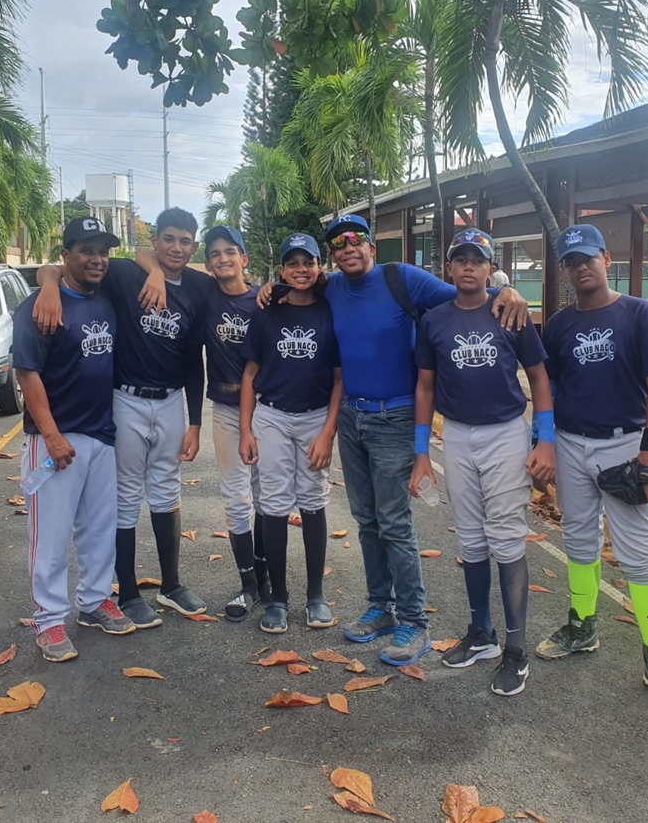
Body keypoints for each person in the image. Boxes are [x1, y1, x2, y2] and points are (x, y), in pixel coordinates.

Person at [258, 213, 530, 667]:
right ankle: (380, 607)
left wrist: (508, 289)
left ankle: (413, 621)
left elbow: (469, 295)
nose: (348, 248)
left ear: (370, 245)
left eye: (356, 240)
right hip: (351, 416)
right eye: (339, 244)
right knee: (366, 520)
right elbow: (297, 284)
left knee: (394, 521)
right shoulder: (332, 288)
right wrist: (271, 286)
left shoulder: (401, 278)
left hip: (396, 417)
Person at [537, 224, 648, 716]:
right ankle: (583, 626)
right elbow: (551, 389)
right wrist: (541, 441)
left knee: (639, 554)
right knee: (579, 539)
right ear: (565, 270)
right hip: (571, 440)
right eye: (572, 261)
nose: (581, 266)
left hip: (626, 444)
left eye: (588, 257)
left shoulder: (639, 313)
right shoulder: (560, 325)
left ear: (607, 258)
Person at [33, 208, 208, 630]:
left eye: (185, 241)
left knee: (166, 490)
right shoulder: (126, 274)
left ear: (194, 246)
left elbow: (193, 362)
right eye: (168, 239)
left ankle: (171, 583)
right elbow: (54, 268)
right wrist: (49, 288)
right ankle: (127, 593)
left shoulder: (200, 287)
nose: (177, 248)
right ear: (155, 243)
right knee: (126, 496)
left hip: (169, 401)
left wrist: (195, 420)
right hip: (126, 398)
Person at [410, 228, 557, 696]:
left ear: (491, 267)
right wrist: (420, 453)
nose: (469, 266)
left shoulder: (509, 312)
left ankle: (516, 648)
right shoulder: (434, 320)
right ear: (449, 268)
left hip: (505, 433)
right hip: (456, 434)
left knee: (507, 537)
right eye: (460, 259)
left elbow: (539, 377)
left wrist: (545, 437)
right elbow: (425, 388)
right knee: (471, 537)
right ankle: (482, 635)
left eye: (478, 259)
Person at [13, 217, 134, 662]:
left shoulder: (104, 301)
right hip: (56, 442)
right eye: (86, 250)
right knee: (51, 535)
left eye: (103, 250)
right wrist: (51, 435)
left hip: (101, 435)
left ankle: (94, 601)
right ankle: (48, 621)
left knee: (100, 529)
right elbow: (27, 372)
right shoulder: (39, 306)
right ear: (65, 255)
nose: (97, 258)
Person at [239, 234, 343, 634]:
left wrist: (328, 432)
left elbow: (338, 378)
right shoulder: (267, 312)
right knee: (275, 504)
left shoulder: (331, 311)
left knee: (313, 501)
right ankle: (278, 598)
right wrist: (247, 430)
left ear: (320, 267)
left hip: (315, 416)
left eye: (309, 262)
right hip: (273, 417)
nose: (301, 269)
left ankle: (315, 596)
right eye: (292, 263)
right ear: (281, 270)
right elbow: (250, 375)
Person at [199, 226, 270, 620]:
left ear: (244, 258)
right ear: (208, 263)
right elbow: (146, 258)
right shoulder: (205, 295)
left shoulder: (266, 299)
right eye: (215, 253)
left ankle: (266, 578)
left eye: (230, 251)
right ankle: (247, 585)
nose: (222, 258)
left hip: (267, 411)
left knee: (266, 499)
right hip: (226, 409)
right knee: (237, 499)